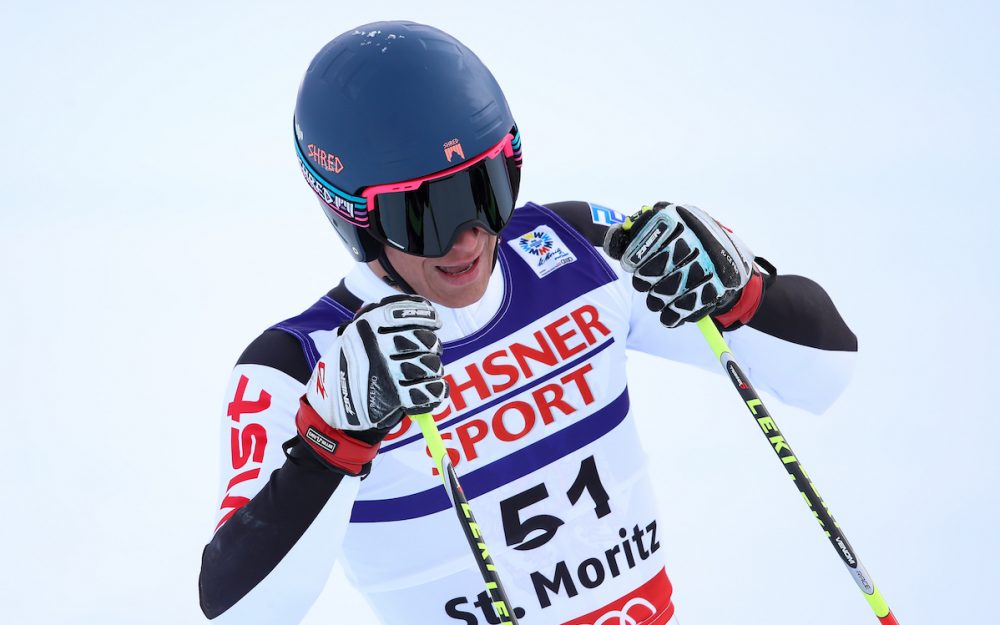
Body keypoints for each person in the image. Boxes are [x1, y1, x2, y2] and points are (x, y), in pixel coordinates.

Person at [198, 20, 857, 625]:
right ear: (352, 217)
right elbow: (238, 609)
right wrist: (332, 443)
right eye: (423, 214)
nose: (467, 239)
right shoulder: (297, 363)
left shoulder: (576, 250)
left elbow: (828, 372)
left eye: (488, 189)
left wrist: (742, 294)